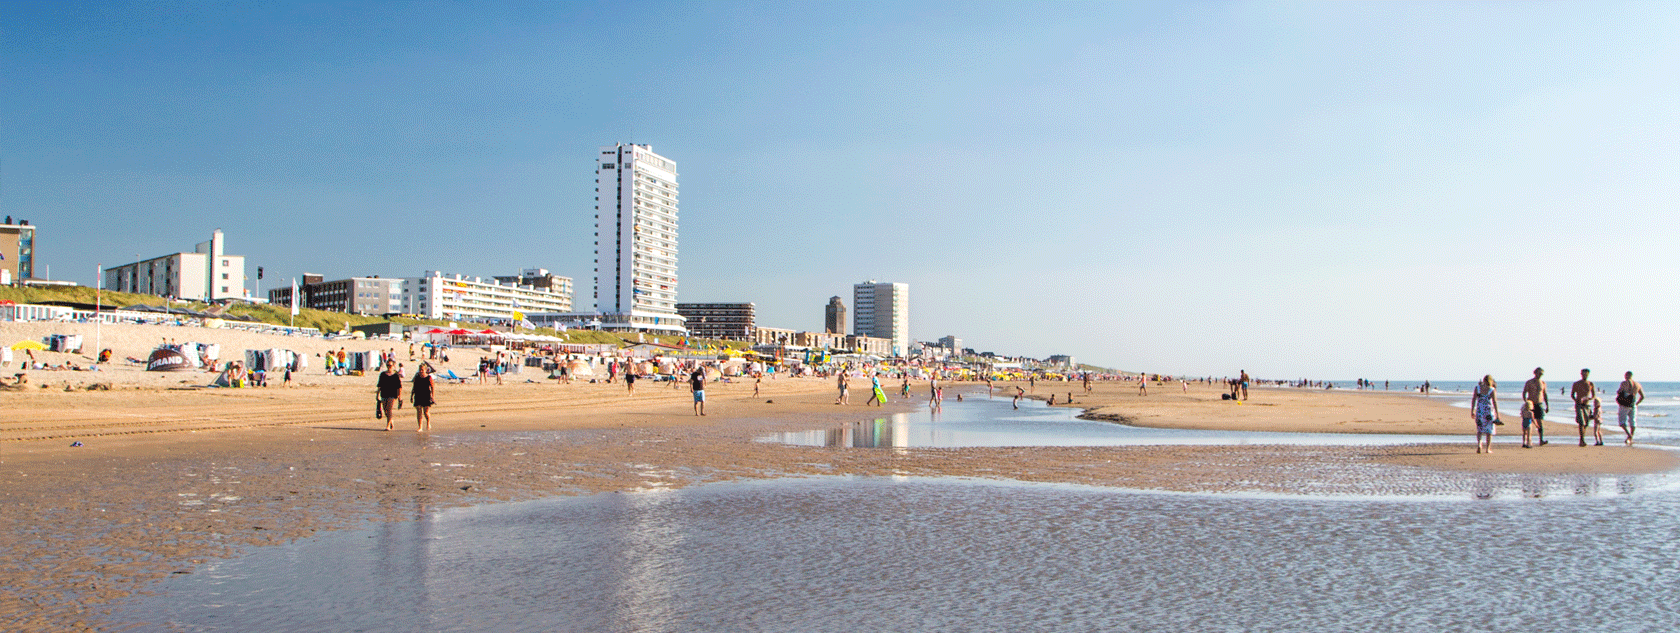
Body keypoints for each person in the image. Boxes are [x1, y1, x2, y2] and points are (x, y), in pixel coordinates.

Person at [1471, 375, 1501, 453]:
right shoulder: (1491, 389)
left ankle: (1479, 444)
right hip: (1488, 411)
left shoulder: (1477, 388)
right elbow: (1494, 402)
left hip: (1480, 410)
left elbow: (1474, 399)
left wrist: (1472, 410)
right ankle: (1488, 448)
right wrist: (1497, 413)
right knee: (1489, 431)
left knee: (1479, 429)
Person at [1521, 367, 1550, 448]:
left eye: (1542, 374)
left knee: (1540, 422)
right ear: (1535, 373)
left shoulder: (1543, 383)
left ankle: (1541, 440)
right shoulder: (1529, 382)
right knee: (1528, 423)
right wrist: (1526, 402)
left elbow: (1545, 394)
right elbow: (1524, 392)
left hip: (1539, 404)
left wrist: (1547, 405)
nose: (1540, 375)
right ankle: (1526, 441)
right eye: (1539, 373)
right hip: (1531, 404)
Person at [1615, 371, 1645, 446]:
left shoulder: (1624, 383)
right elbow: (1642, 397)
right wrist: (1637, 403)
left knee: (1622, 422)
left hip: (1625, 404)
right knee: (1633, 421)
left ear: (1626, 376)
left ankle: (1629, 435)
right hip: (1633, 404)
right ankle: (1630, 437)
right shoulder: (1637, 384)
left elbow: (1619, 392)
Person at [1571, 369, 1595, 447]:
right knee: (1581, 422)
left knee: (1586, 423)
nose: (1585, 376)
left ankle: (1582, 438)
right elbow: (1572, 394)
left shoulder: (1590, 383)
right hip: (1579, 405)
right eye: (1583, 374)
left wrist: (1589, 399)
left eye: (1586, 374)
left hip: (1587, 405)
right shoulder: (1576, 384)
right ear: (1581, 374)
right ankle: (1582, 440)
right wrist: (1577, 400)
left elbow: (1593, 395)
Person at [377, 360, 403, 431]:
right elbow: (379, 385)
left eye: (390, 365)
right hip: (384, 393)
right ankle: (390, 420)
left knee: (389, 410)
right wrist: (377, 395)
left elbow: (399, 387)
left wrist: (399, 397)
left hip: (392, 394)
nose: (389, 367)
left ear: (393, 366)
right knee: (385, 410)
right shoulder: (382, 374)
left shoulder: (396, 375)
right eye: (387, 365)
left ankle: (388, 425)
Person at [412, 363, 435, 433]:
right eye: (420, 370)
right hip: (418, 395)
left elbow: (432, 387)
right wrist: (411, 396)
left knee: (426, 412)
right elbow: (414, 387)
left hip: (426, 395)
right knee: (419, 411)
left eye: (422, 370)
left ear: (425, 370)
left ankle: (428, 422)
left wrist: (432, 397)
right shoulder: (416, 377)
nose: (421, 371)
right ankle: (420, 427)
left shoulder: (429, 378)